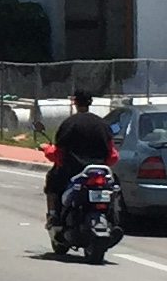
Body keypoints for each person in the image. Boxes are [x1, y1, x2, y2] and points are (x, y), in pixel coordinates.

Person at [46, 90, 115, 222]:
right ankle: (113, 218)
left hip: (72, 171)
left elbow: (58, 153)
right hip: (99, 171)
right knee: (113, 187)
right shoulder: (103, 125)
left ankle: (54, 215)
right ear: (90, 102)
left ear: (75, 102)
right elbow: (113, 155)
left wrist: (47, 150)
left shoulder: (69, 124)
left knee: (52, 181)